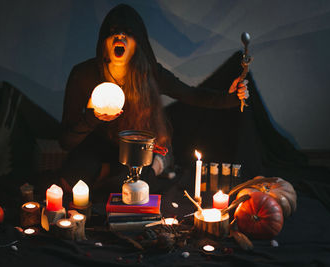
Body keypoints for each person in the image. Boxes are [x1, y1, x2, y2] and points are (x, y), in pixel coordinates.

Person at [58, 4, 249, 200]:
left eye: (128, 33)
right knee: (70, 180)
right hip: (98, 146)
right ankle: (109, 172)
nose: (120, 37)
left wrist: (232, 98)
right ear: (103, 41)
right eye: (113, 32)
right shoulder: (83, 75)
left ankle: (144, 167)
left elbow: (193, 95)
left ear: (138, 42)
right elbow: (65, 141)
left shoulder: (150, 74)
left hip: (142, 148)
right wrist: (91, 117)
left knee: (131, 185)